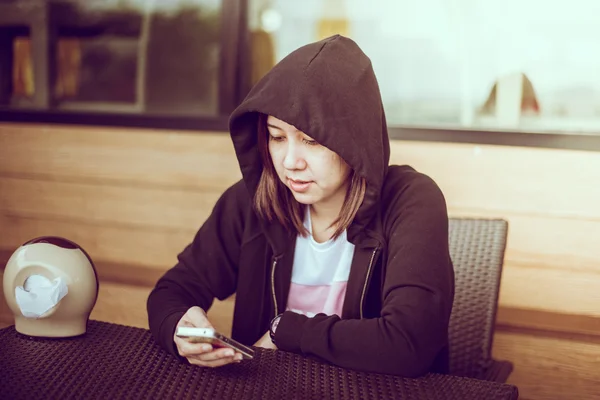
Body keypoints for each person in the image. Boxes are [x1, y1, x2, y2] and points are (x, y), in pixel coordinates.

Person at [147, 34, 454, 377]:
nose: (290, 161)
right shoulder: (250, 202)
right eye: (277, 137)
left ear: (354, 139)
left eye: (311, 140)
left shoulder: (411, 200)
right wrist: (180, 328)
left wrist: (286, 331)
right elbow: (172, 291)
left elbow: (408, 343)